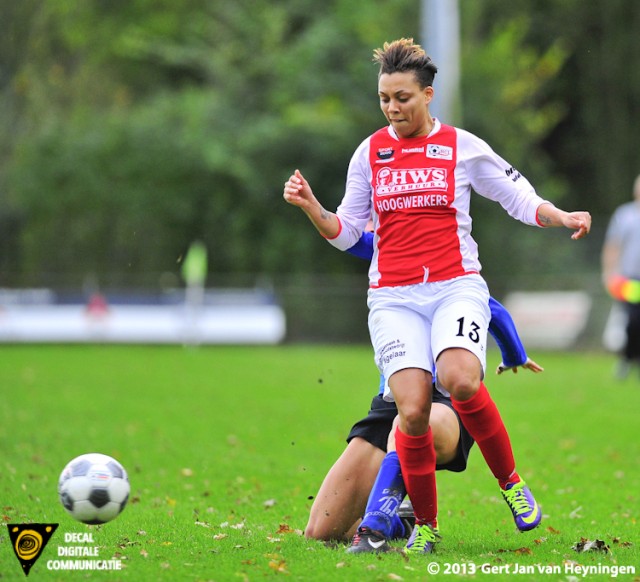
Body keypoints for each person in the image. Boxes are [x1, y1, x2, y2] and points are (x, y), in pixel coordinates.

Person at [284, 37, 591, 555]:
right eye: (384, 98)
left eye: (402, 97)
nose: (392, 108)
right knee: (409, 411)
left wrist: (559, 215)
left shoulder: (462, 147)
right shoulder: (370, 153)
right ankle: (422, 525)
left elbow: (516, 195)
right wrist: (313, 207)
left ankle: (512, 486)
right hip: (394, 298)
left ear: (428, 95)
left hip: (455, 287)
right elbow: (350, 231)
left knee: (458, 381)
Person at [305, 293, 543, 553]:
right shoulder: (387, 278)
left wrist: (514, 354)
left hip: (444, 404)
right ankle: (400, 524)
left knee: (405, 424)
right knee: (322, 531)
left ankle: (373, 531)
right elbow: (362, 249)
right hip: (390, 403)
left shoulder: (448, 275)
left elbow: (491, 309)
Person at [601, 174, 640, 379]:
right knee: (633, 321)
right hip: (631, 280)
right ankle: (627, 359)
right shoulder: (624, 215)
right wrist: (609, 274)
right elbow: (613, 246)